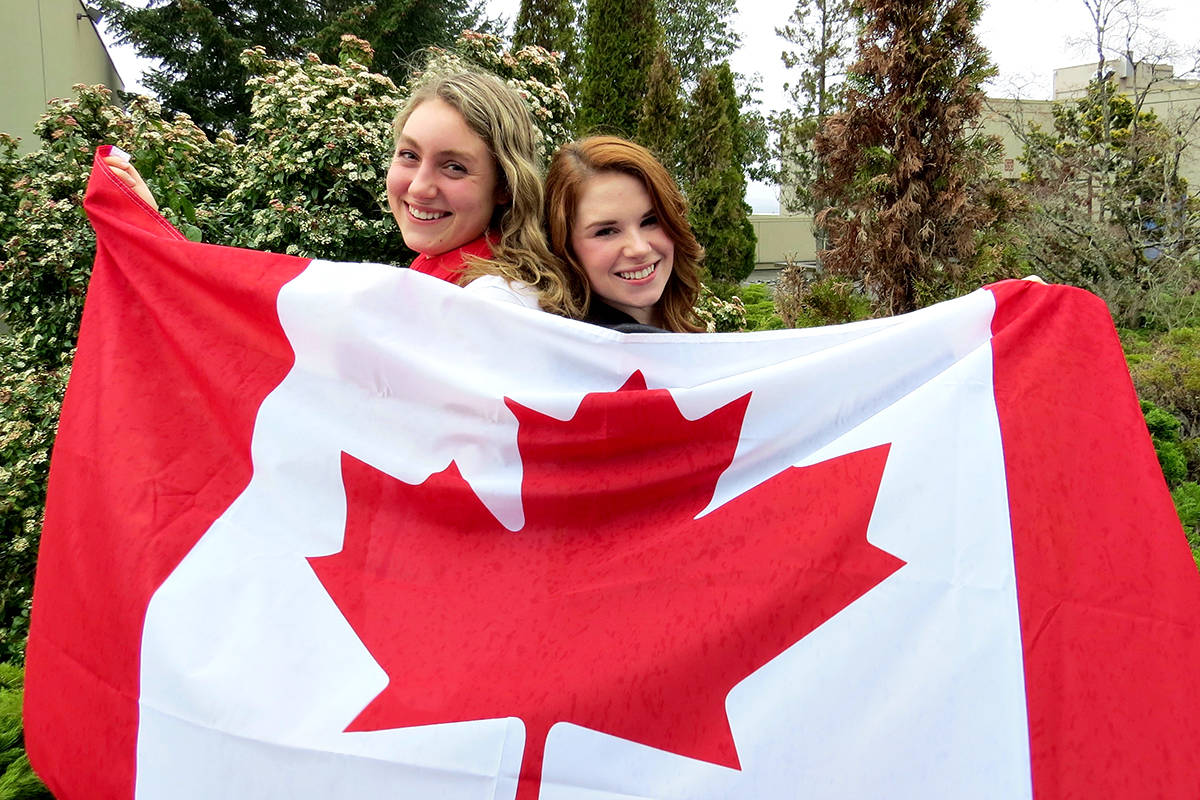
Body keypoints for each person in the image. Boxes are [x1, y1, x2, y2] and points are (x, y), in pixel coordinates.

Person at [104, 68, 580, 317]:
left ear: (504, 187)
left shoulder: (498, 303)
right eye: (408, 155)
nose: (419, 186)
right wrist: (156, 240)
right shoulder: (441, 275)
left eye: (454, 167)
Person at [544, 136, 705, 333]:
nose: (639, 249)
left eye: (650, 221)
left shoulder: (683, 339)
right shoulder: (568, 347)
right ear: (564, 243)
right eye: (606, 231)